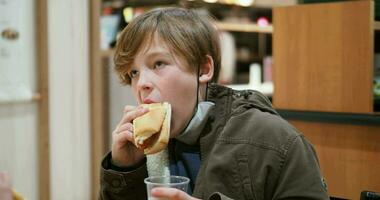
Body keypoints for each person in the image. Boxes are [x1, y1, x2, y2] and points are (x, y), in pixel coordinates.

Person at [99, 7, 329, 200]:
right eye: (134, 73)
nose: (141, 84)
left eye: (158, 63)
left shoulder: (276, 141)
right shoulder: (144, 149)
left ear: (204, 69)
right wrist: (123, 171)